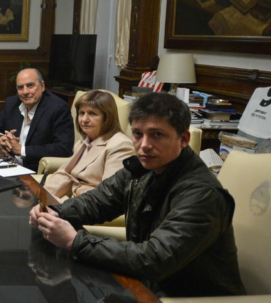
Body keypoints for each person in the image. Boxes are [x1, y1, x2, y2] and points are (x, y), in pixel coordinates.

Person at [30, 93, 246, 297]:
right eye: (137, 134)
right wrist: (54, 211)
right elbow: (98, 201)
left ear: (183, 138)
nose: (144, 145)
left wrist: (75, 241)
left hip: (187, 297)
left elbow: (155, 260)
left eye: (157, 135)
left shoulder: (202, 194)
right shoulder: (143, 168)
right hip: (147, 287)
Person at [43, 90, 135, 202]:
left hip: (89, 209)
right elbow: (66, 173)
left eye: (92, 114)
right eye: (81, 113)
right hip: (72, 202)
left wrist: (60, 206)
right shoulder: (83, 142)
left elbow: (109, 196)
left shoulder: (120, 145)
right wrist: (40, 197)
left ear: (107, 118)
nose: (84, 120)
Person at [0, 68, 73, 171]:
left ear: (42, 86)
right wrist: (0, 137)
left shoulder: (57, 108)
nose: (25, 92)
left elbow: (63, 149)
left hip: (34, 171)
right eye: (20, 87)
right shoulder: (13, 103)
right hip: (9, 165)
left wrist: (22, 150)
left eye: (30, 86)